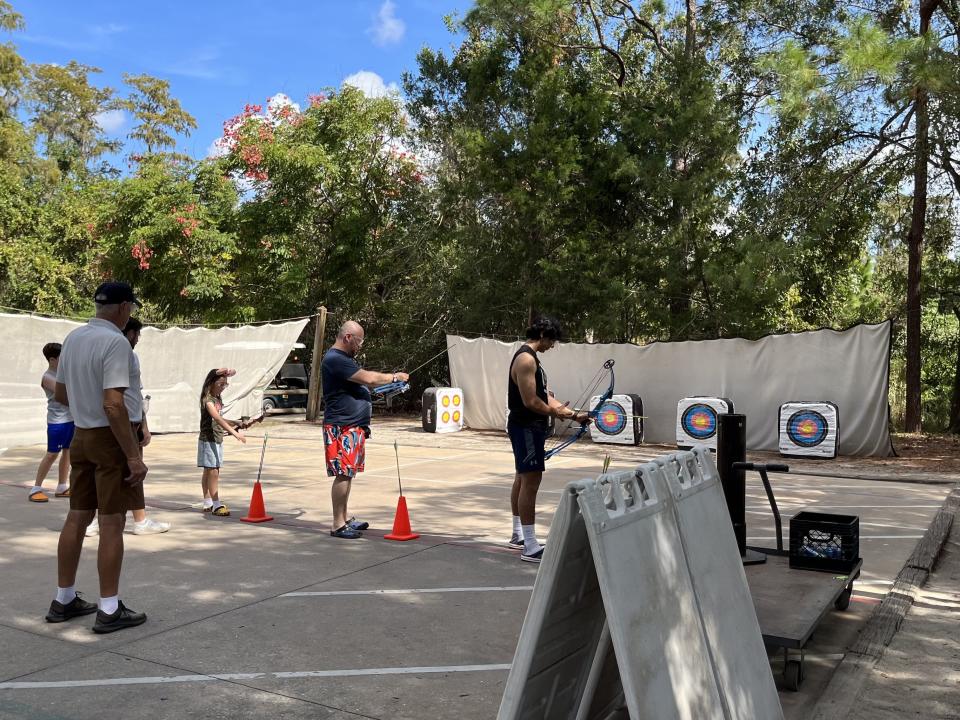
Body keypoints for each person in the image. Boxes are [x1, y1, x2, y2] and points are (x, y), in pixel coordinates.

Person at [45, 281, 148, 633]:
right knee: (112, 522)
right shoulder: (116, 342)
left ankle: (64, 598)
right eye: (130, 308)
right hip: (110, 438)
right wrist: (133, 456)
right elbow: (114, 404)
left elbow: (60, 393)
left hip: (82, 435)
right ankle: (109, 607)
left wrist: (86, 409)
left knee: (77, 516)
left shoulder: (74, 338)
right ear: (122, 307)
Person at [506, 316, 590, 563]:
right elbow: (531, 401)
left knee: (522, 477)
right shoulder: (525, 359)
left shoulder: (533, 360)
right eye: (551, 340)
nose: (552, 345)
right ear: (542, 334)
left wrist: (575, 416)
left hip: (529, 427)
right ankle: (530, 546)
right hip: (525, 427)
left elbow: (546, 396)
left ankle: (518, 535)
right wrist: (555, 412)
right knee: (531, 480)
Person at [322, 320, 409, 539]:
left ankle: (345, 518)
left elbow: (362, 385)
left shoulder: (344, 360)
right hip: (342, 426)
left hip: (353, 426)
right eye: (359, 341)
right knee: (343, 474)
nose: (360, 346)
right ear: (348, 337)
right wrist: (394, 377)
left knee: (348, 474)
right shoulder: (335, 359)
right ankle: (337, 524)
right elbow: (369, 378)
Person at [85, 318, 170, 537]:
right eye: (137, 334)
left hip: (122, 421)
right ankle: (105, 520)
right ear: (130, 333)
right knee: (126, 471)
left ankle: (132, 520)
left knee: (121, 473)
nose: (138, 339)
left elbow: (136, 394)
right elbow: (114, 400)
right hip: (118, 423)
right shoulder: (120, 352)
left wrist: (144, 424)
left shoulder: (124, 355)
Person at [197, 368, 248, 516]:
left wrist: (236, 422)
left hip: (216, 438)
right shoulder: (207, 399)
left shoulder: (218, 399)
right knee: (213, 470)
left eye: (225, 385)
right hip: (209, 439)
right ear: (211, 383)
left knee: (209, 470)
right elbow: (217, 418)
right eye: (220, 384)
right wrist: (234, 433)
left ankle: (207, 502)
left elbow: (221, 420)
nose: (223, 388)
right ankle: (216, 504)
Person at [29, 343, 74, 503]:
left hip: (70, 420)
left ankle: (62, 486)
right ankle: (36, 488)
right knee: (52, 454)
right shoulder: (48, 377)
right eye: (63, 358)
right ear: (52, 359)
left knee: (68, 452)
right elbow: (66, 396)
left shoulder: (64, 374)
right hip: (57, 422)